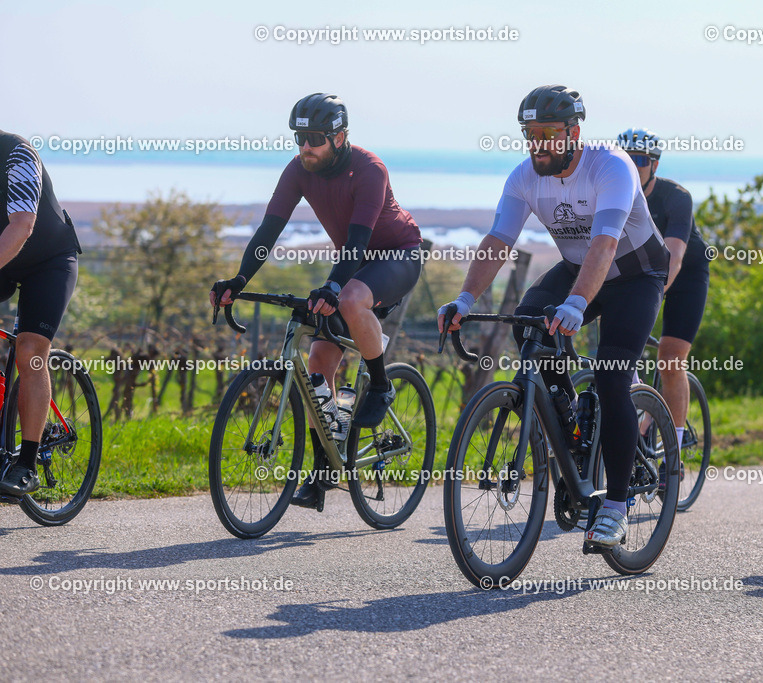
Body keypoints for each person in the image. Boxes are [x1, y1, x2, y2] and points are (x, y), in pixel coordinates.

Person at [437, 85, 669, 547]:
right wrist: (464, 299)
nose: (537, 143)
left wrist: (577, 304)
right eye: (530, 133)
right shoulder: (524, 176)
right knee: (528, 324)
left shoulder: (611, 166)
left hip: (635, 274)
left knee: (611, 378)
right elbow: (498, 241)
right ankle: (573, 426)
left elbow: (605, 243)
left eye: (547, 133)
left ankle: (616, 506)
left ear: (573, 133)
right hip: (579, 267)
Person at [211, 93, 422, 510]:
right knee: (318, 367)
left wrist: (332, 286)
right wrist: (239, 278)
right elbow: (269, 230)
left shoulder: (369, 169)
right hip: (353, 264)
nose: (305, 147)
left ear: (339, 137)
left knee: (350, 298)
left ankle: (380, 385)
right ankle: (323, 471)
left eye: (315, 139)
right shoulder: (298, 169)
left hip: (396, 256)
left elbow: (359, 240)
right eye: (299, 138)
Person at [616, 127, 710, 452]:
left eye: (640, 160)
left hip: (685, 275)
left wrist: (648, 300)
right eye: (626, 158)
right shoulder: (613, 194)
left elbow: (675, 257)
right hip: (642, 271)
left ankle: (674, 453)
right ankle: (643, 408)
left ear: (654, 165)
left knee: (670, 359)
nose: (633, 165)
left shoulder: (676, 197)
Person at [0, 130, 82, 496]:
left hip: (48, 261)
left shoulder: (16, 153)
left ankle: (27, 465)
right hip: (5, 262)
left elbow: (22, 226)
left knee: (30, 351)